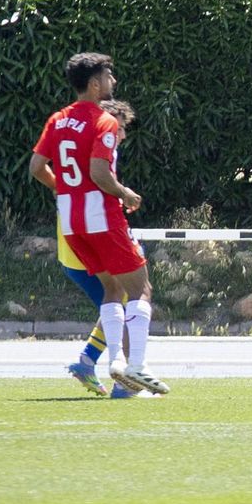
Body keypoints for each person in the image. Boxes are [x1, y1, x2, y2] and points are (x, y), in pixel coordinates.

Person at [29, 53, 169, 396]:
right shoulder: (103, 121)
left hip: (72, 219)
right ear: (94, 84)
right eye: (109, 76)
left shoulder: (58, 120)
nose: (113, 83)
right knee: (140, 289)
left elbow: (36, 167)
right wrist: (126, 193)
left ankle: (115, 363)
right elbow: (99, 173)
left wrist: (66, 189)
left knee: (112, 290)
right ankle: (136, 365)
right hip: (102, 216)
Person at [48, 100, 146, 399]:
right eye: (120, 126)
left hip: (73, 245)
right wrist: (123, 195)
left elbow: (42, 169)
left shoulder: (76, 156)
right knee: (128, 301)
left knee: (115, 300)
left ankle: (89, 362)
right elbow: (99, 185)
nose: (122, 134)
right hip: (87, 242)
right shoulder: (95, 159)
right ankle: (126, 381)